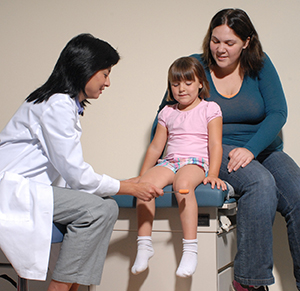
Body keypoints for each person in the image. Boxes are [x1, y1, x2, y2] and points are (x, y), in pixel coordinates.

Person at [0, 33, 163, 291]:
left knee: (106, 208)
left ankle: (72, 288)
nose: (108, 82)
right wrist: (128, 187)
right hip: (12, 191)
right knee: (98, 210)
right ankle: (59, 289)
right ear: (84, 69)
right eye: (105, 73)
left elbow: (70, 172)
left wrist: (123, 183)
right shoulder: (57, 105)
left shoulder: (64, 104)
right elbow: (77, 175)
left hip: (32, 190)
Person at [157, 8, 300, 291]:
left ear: (246, 42)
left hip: (260, 148)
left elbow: (277, 113)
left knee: (297, 192)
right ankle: (250, 282)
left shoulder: (259, 65)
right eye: (215, 40)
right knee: (260, 182)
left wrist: (250, 148)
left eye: (229, 43)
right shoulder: (194, 67)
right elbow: (166, 114)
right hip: (213, 148)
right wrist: (166, 160)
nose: (220, 49)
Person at [131, 56, 227, 278]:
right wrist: (142, 175)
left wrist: (213, 173)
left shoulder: (210, 109)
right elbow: (156, 147)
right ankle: (144, 244)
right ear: (170, 87)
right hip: (170, 161)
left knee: (183, 185)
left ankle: (190, 249)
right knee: (144, 187)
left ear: (200, 83)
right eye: (176, 84)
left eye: (188, 82)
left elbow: (215, 144)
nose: (181, 89)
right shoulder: (167, 112)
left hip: (195, 162)